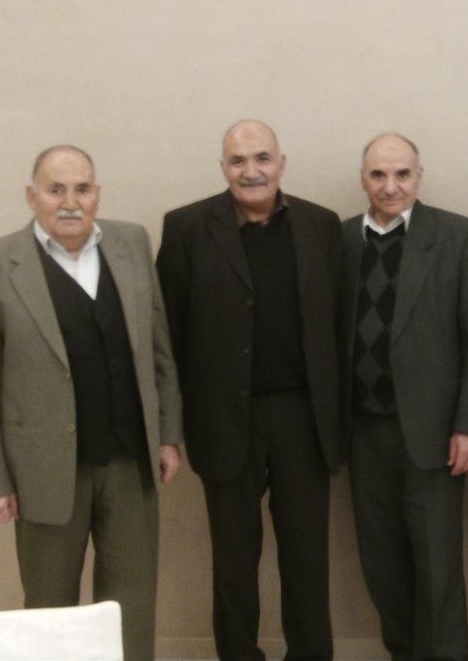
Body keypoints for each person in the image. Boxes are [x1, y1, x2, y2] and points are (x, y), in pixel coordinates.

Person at [0, 145, 182, 661]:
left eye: (82, 189)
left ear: (96, 194)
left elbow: (159, 351)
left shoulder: (131, 244)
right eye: (55, 189)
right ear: (31, 195)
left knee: (131, 609)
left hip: (131, 465)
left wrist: (167, 434)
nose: (70, 201)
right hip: (43, 473)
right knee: (49, 611)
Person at [155, 120, 342, 661]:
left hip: (304, 419)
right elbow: (166, 335)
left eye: (261, 158)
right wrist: (171, 427)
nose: (251, 170)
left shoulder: (321, 225)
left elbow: (338, 324)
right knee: (234, 561)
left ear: (281, 163)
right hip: (222, 420)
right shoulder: (187, 228)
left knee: (307, 557)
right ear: (223, 168)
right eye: (238, 161)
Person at [342, 132, 468, 661]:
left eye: (402, 174)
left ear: (419, 176)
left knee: (437, 564)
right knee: (381, 563)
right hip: (363, 432)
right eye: (378, 175)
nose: (391, 186)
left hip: (434, 433)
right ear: (363, 179)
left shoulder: (457, 236)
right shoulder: (341, 239)